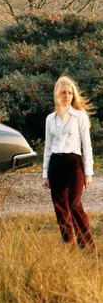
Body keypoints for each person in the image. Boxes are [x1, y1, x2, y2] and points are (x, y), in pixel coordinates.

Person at [42, 76, 96, 252]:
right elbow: (48, 147)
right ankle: (69, 244)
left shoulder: (79, 116)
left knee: (74, 204)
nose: (67, 96)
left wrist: (88, 172)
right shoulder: (50, 118)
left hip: (74, 164)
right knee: (60, 207)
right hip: (56, 164)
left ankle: (87, 247)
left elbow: (86, 145)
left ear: (74, 95)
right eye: (63, 92)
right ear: (57, 94)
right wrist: (44, 174)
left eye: (70, 93)